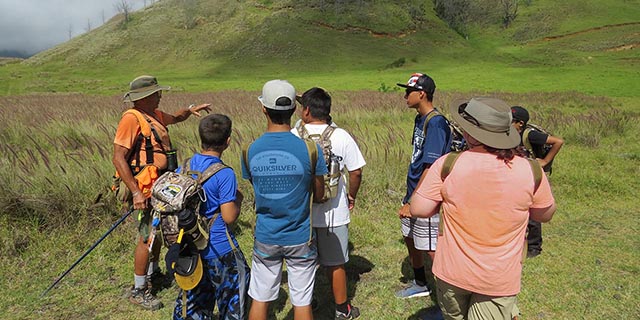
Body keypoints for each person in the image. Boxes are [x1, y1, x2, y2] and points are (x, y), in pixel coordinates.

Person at [410, 97, 556, 320]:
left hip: (453, 271)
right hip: (499, 276)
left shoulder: (448, 164)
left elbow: (418, 208)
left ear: (469, 133)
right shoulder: (530, 169)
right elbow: (545, 214)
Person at [112, 75, 211, 310]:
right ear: (144, 97)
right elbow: (118, 157)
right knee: (146, 237)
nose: (160, 96)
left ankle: (153, 274)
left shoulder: (154, 115)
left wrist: (189, 110)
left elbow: (175, 118)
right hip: (145, 189)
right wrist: (136, 192)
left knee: (156, 233)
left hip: (161, 189)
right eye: (156, 93)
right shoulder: (131, 119)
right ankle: (138, 289)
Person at [241, 80, 327, 320]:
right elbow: (319, 195)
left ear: (263, 109)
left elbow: (257, 188)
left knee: (260, 298)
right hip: (300, 236)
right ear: (294, 111)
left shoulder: (250, 150)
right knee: (302, 303)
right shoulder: (311, 149)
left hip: (266, 235)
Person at [292, 87, 366, 320]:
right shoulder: (341, 135)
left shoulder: (294, 135)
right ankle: (342, 309)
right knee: (336, 264)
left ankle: (306, 302)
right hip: (334, 211)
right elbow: (355, 172)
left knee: (303, 263)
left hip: (301, 212)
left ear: (306, 111)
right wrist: (350, 196)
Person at [173, 114, 251, 320]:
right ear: (227, 141)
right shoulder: (224, 174)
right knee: (233, 295)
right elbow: (229, 216)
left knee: (195, 299)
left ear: (201, 138)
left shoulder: (185, 166)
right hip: (219, 247)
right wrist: (239, 200)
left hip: (189, 247)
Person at [395, 73, 451, 299]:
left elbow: (431, 166)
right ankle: (420, 283)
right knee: (410, 237)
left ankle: (448, 297)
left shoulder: (436, 123)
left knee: (431, 248)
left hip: (427, 195)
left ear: (422, 94)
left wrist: (413, 200)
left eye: (409, 92)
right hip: (414, 190)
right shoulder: (420, 119)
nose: (405, 96)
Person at [511, 106, 564, 258]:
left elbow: (558, 141)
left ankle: (534, 247)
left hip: (534, 175)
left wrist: (545, 161)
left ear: (520, 123)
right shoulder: (512, 134)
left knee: (533, 211)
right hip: (522, 173)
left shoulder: (530, 135)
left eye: (511, 121)